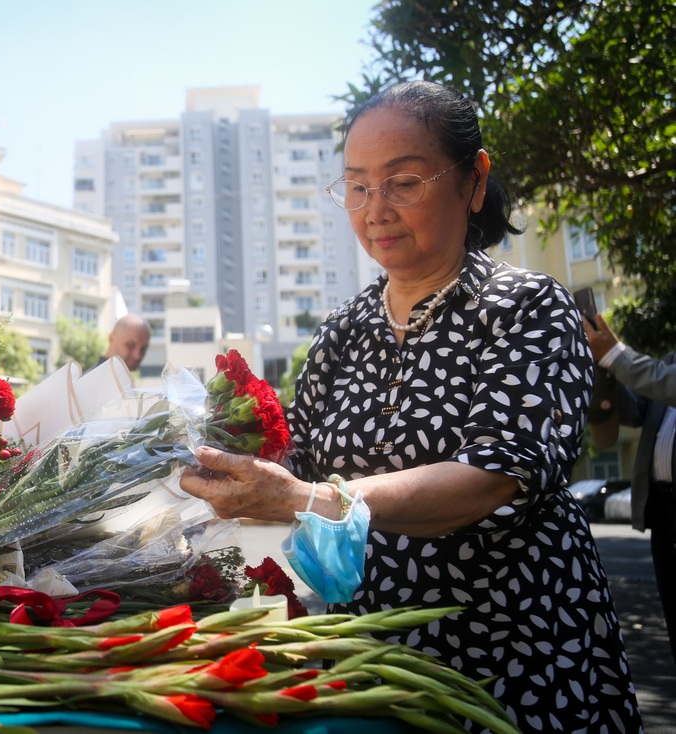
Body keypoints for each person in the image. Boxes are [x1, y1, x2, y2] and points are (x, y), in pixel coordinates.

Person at [180, 80, 643, 731]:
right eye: (358, 186)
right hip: (374, 663)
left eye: (404, 182)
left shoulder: (528, 308)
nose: (376, 208)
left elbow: (490, 477)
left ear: (473, 181)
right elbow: (295, 464)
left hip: (523, 657)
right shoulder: (342, 331)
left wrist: (304, 499)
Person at [585, 312, 676, 666]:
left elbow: (660, 382)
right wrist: (603, 371)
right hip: (664, 514)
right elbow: (635, 409)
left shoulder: (664, 373)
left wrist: (614, 354)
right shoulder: (669, 362)